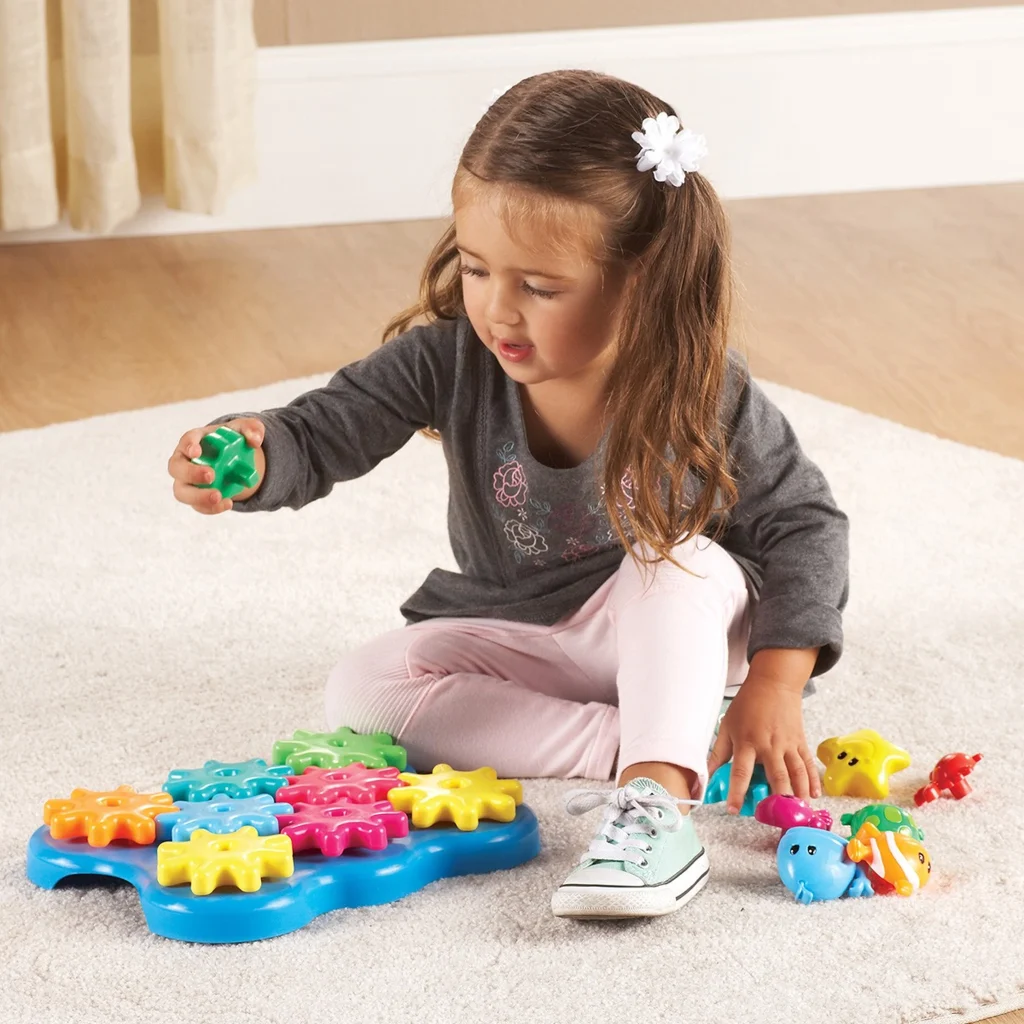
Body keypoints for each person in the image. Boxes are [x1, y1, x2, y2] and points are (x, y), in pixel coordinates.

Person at [166, 69, 849, 920]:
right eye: (477, 268)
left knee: (675, 561)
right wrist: (255, 456)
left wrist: (775, 685)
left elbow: (804, 523)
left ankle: (657, 801)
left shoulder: (702, 385)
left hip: (684, 627)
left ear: (641, 276)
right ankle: (666, 738)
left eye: (540, 287)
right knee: (365, 686)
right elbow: (325, 428)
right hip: (531, 628)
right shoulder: (448, 359)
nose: (497, 311)